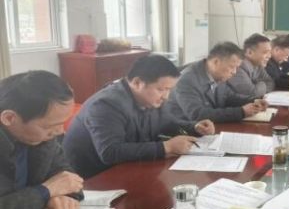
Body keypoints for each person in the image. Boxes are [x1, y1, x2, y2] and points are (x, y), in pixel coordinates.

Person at [63, 55, 215, 178]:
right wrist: (166, 147)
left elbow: (166, 122)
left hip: (128, 166)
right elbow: (110, 152)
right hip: (95, 178)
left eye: (169, 90)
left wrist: (194, 127)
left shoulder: (148, 98)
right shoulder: (106, 105)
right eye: (161, 89)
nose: (166, 97)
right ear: (137, 83)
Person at [0, 71, 84, 209]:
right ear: (9, 118)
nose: (60, 131)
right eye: (50, 126)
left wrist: (60, 199)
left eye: (62, 123)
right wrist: (45, 192)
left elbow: (67, 179)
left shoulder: (42, 138)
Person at [167, 42, 264, 123]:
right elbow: (197, 114)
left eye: (237, 68)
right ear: (216, 62)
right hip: (185, 132)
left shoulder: (217, 75)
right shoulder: (187, 80)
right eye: (232, 67)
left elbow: (229, 97)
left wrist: (254, 101)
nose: (234, 72)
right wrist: (241, 112)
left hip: (211, 127)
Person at [226, 33, 274, 99]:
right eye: (265, 52)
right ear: (249, 52)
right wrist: (262, 83)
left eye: (270, 53)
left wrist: (257, 86)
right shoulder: (238, 66)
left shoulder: (258, 65)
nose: (269, 56)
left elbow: (271, 83)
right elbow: (253, 93)